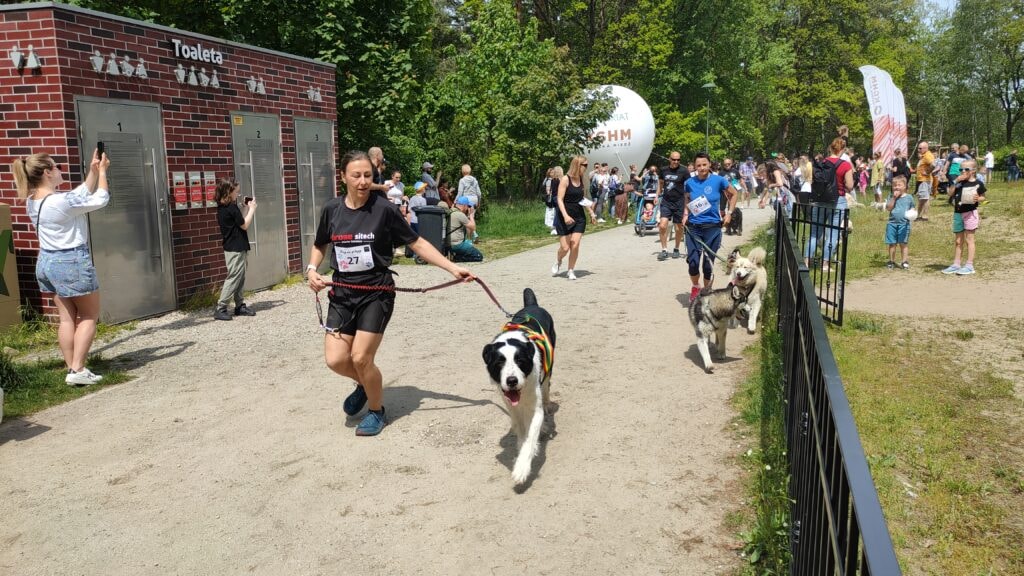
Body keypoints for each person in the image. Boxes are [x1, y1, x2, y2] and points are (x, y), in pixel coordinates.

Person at [306, 151, 475, 436]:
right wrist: (311, 269)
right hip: (342, 293)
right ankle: (365, 383)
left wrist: (451, 268)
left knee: (361, 357)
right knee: (336, 359)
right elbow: (320, 244)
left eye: (368, 176)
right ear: (343, 177)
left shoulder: (383, 209)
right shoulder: (332, 209)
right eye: (356, 175)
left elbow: (417, 242)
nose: (362, 181)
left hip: (377, 292)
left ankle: (376, 410)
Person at [13, 149, 109, 385]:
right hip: (71, 261)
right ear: (47, 173)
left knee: (67, 319)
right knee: (88, 315)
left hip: (48, 262)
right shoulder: (60, 202)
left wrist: (92, 171)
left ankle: (71, 368)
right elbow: (100, 198)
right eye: (57, 167)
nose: (60, 171)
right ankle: (78, 370)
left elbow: (78, 195)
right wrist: (104, 173)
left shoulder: (33, 201)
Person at [682, 152, 735, 302]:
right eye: (698, 165)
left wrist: (729, 213)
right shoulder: (689, 183)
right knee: (693, 262)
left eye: (704, 164)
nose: (702, 168)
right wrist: (685, 214)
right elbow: (686, 199)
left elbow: (734, 194)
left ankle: (706, 292)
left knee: (707, 265)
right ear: (695, 167)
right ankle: (695, 287)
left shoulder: (719, 181)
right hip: (693, 227)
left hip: (712, 227)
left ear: (709, 164)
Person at [804, 138, 854, 272]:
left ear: (830, 148)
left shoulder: (821, 163)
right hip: (837, 201)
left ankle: (806, 262)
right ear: (842, 150)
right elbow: (850, 185)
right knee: (832, 233)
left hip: (819, 201)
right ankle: (825, 264)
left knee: (814, 233)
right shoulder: (845, 165)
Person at [214, 178, 258, 321]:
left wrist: (245, 208)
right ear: (229, 192)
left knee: (240, 277)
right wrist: (251, 209)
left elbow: (239, 221)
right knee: (234, 277)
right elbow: (244, 225)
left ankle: (239, 305)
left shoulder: (223, 207)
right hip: (235, 248)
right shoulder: (231, 208)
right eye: (236, 192)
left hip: (235, 246)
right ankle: (221, 308)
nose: (238, 194)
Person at [551, 156, 597, 280]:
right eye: (585, 165)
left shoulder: (582, 179)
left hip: (579, 217)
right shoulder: (565, 179)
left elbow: (581, 199)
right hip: (564, 216)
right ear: (577, 165)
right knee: (565, 248)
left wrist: (591, 212)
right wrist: (565, 216)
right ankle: (559, 260)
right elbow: (559, 200)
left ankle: (570, 270)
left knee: (575, 244)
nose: (587, 168)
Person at [941, 160, 986, 276]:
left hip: (970, 213)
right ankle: (956, 264)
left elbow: (983, 198)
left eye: (966, 169)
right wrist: (955, 181)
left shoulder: (978, 183)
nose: (963, 172)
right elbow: (950, 194)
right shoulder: (959, 183)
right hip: (958, 213)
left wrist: (978, 198)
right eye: (961, 169)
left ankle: (969, 265)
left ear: (973, 171)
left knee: (969, 239)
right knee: (958, 241)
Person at [657, 151, 689, 261]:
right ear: (669, 159)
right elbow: (660, 183)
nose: (676, 161)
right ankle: (664, 250)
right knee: (662, 225)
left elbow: (689, 186)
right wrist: (657, 195)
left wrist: (688, 200)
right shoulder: (663, 170)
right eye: (674, 159)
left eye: (678, 160)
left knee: (678, 227)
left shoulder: (684, 171)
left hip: (679, 201)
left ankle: (676, 248)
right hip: (666, 200)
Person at [884, 175, 915, 270]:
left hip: (904, 224)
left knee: (903, 243)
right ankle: (891, 261)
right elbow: (888, 207)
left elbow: (913, 208)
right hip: (892, 224)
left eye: (899, 185)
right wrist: (894, 198)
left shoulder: (909, 197)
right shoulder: (891, 196)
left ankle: (904, 261)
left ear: (905, 186)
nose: (896, 187)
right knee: (892, 243)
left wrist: (912, 214)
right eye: (894, 185)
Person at [448, 197, 483, 262]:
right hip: (457, 244)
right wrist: (471, 215)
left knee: (468, 243)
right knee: (479, 256)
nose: (468, 208)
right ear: (464, 206)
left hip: (448, 243)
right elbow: (473, 227)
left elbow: (468, 230)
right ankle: (457, 258)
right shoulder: (460, 215)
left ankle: (456, 256)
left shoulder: (451, 211)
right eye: (468, 206)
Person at [914, 141, 935, 221]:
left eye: (920, 148)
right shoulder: (924, 155)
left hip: (925, 180)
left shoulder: (927, 155)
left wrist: (927, 172)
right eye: (918, 148)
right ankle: (918, 215)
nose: (918, 150)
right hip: (922, 180)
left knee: (924, 198)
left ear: (926, 148)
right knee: (922, 198)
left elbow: (933, 164)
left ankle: (924, 216)